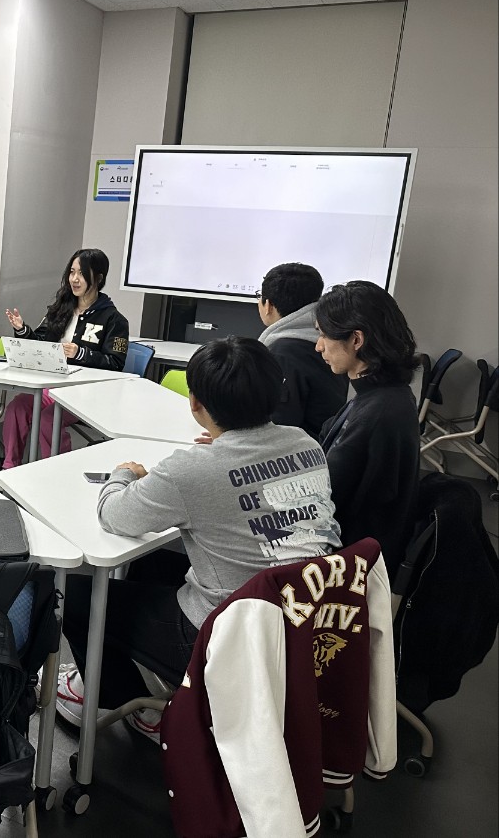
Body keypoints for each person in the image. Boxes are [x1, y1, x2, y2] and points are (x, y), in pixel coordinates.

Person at [57, 337, 342, 738]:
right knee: (149, 563)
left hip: (226, 638)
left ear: (195, 404)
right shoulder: (306, 443)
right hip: (304, 619)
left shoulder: (191, 470)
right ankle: (159, 686)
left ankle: (131, 702)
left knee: (76, 595)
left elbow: (114, 516)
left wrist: (124, 474)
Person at [315, 281, 421, 569]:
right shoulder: (388, 394)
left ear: (356, 340)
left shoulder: (375, 412)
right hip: (366, 549)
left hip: (349, 563)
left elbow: (322, 499)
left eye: (324, 335)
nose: (319, 346)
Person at [1, 248, 129, 468]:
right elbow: (40, 345)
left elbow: (116, 363)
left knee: (49, 420)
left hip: (86, 394)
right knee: (17, 408)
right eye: (72, 272)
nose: (74, 279)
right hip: (53, 387)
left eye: (82, 273)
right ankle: (9, 468)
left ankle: (57, 472)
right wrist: (22, 330)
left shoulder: (114, 320)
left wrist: (81, 353)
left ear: (98, 278)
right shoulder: (60, 309)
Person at [256, 262, 348, 438]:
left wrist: (237, 441)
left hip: (297, 450)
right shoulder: (332, 342)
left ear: (268, 306)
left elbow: (279, 425)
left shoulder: (282, 352)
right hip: (322, 444)